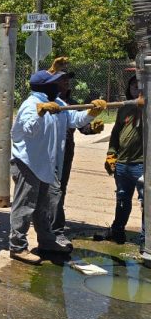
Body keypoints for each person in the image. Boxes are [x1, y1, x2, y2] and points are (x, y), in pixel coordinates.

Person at [9, 70, 106, 264]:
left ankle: (47, 241)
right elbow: (29, 130)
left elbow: (74, 120)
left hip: (46, 163)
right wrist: (40, 113)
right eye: (54, 83)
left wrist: (91, 112)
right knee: (25, 206)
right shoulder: (31, 105)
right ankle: (17, 246)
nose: (60, 85)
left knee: (44, 207)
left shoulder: (59, 104)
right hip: (28, 163)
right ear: (45, 87)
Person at [47, 57, 104, 239]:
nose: (66, 81)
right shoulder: (44, 100)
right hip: (46, 151)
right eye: (62, 78)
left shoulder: (72, 102)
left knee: (59, 189)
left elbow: (80, 124)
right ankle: (46, 224)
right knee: (45, 190)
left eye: (67, 79)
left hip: (66, 152)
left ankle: (56, 228)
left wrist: (92, 128)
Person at [95, 74, 144, 245]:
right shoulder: (123, 108)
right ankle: (117, 231)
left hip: (142, 165)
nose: (136, 90)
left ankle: (146, 239)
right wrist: (111, 154)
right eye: (132, 87)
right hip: (122, 164)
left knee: (147, 202)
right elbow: (115, 133)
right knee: (122, 200)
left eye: (139, 86)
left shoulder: (148, 106)